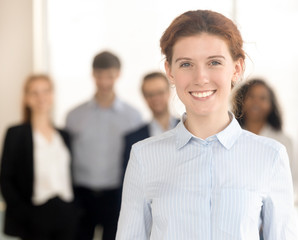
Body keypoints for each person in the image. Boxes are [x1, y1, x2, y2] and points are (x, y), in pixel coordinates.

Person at [116, 10, 295, 239]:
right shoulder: (144, 157)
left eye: (214, 62)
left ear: (237, 69)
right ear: (170, 71)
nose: (200, 78)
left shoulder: (270, 156)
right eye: (186, 64)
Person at [65, 51, 142, 240]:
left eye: (110, 76)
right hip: (82, 195)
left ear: (118, 75)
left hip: (117, 195)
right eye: (100, 76)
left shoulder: (133, 117)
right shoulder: (74, 116)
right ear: (93, 75)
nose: (105, 82)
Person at [0, 74, 78, 240]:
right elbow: (5, 178)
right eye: (34, 93)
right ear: (27, 99)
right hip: (34, 213)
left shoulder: (64, 135)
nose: (41, 97)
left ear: (52, 95)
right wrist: (23, 213)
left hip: (66, 212)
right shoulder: (16, 133)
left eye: (46, 91)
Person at [232, 78, 295, 182]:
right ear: (241, 100)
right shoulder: (229, 137)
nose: (256, 102)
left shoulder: (284, 141)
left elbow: (288, 180)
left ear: (271, 105)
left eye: (262, 98)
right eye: (251, 96)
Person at [123, 72, 179, 170]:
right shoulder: (132, 140)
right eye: (150, 94)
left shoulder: (191, 129)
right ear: (144, 97)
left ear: (169, 92)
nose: (156, 99)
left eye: (160, 92)